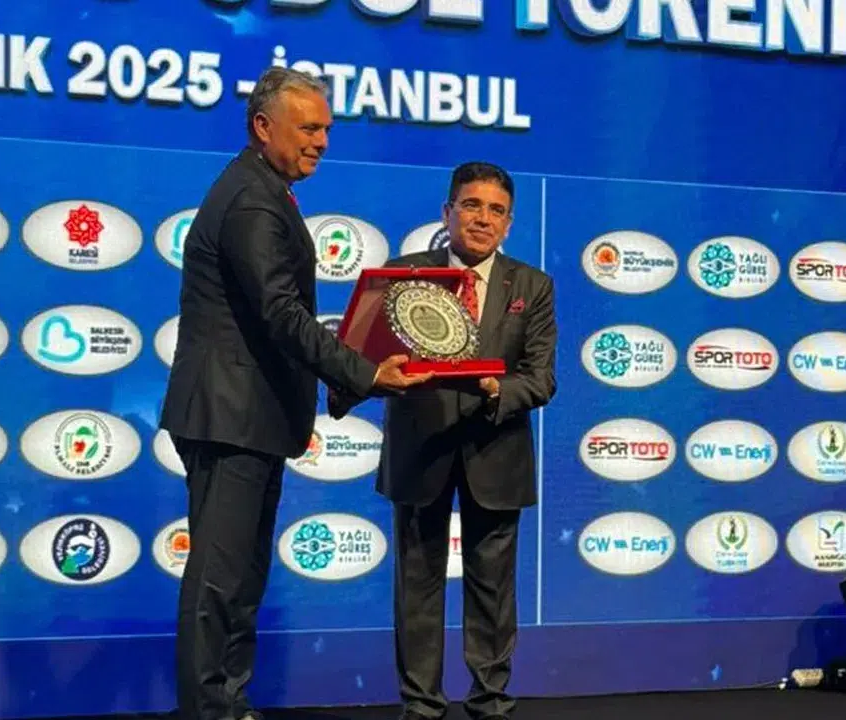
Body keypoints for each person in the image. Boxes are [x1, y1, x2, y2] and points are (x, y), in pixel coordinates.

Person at [158, 66, 433, 720]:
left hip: (248, 415)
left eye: (326, 129)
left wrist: (345, 376)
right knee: (220, 581)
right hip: (229, 417)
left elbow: (277, 319)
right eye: (308, 128)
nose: (321, 141)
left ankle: (229, 703)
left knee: (241, 579)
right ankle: (209, 711)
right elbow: (281, 314)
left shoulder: (262, 190)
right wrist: (363, 372)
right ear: (263, 126)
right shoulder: (253, 200)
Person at [331, 162, 557, 720]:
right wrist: (351, 389)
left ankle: (490, 703)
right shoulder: (401, 276)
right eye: (471, 205)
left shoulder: (532, 285)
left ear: (509, 223)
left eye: (497, 211)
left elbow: (541, 378)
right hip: (420, 449)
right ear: (447, 212)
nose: (483, 219)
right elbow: (359, 357)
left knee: (493, 591)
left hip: (496, 450)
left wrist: (496, 388)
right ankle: (421, 706)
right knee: (417, 589)